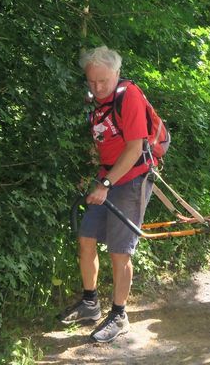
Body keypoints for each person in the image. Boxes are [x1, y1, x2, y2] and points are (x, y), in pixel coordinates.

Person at [58, 46, 156, 343]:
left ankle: (119, 314)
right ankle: (90, 302)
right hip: (107, 176)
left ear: (116, 73)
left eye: (103, 81)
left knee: (119, 250)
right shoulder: (98, 101)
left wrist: (106, 185)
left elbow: (134, 148)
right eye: (92, 82)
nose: (97, 88)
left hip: (132, 178)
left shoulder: (130, 96)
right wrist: (94, 176)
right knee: (86, 238)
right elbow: (103, 141)